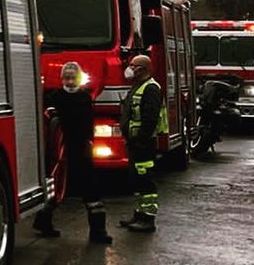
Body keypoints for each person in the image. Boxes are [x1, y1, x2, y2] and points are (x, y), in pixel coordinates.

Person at [34, 61, 112, 244]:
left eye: (72, 78)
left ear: (78, 79)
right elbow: (49, 124)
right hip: (59, 152)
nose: (69, 81)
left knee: (91, 189)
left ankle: (98, 231)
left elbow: (88, 124)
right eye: (66, 78)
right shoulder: (54, 97)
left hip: (80, 150)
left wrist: (89, 143)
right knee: (55, 187)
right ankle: (43, 222)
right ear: (62, 79)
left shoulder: (84, 98)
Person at [119, 53, 167, 233]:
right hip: (134, 143)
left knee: (145, 180)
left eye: (133, 65)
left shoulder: (151, 89)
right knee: (136, 179)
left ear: (143, 69)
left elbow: (150, 119)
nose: (129, 69)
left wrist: (140, 140)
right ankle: (139, 214)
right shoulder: (137, 86)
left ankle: (148, 219)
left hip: (143, 145)